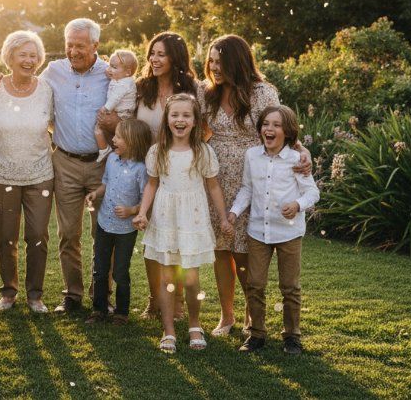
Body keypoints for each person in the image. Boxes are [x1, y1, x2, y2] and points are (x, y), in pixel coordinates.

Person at [201, 34, 309, 337]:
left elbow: (281, 125)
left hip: (254, 175)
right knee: (222, 247)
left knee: (246, 249)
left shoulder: (262, 93)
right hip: (215, 177)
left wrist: (302, 150)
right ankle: (227, 316)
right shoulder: (206, 92)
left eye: (220, 62)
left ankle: (253, 316)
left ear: (237, 61)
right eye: (211, 61)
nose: (213, 67)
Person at [106, 32, 198, 319]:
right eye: (152, 54)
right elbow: (128, 124)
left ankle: (178, 301)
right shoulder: (140, 88)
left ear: (176, 58)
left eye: (161, 54)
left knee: (178, 238)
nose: (154, 60)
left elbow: (203, 128)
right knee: (153, 240)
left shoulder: (193, 89)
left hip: (179, 172)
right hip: (144, 172)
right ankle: (156, 300)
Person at [133, 94, 232, 353]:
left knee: (190, 278)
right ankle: (168, 331)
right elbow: (152, 184)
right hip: (166, 217)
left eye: (186, 115)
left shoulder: (202, 151)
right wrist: (143, 212)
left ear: (195, 120)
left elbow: (213, 186)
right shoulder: (158, 151)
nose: (180, 120)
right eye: (174, 115)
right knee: (167, 276)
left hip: (192, 218)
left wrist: (223, 218)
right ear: (167, 119)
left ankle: (194, 325)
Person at [230, 105, 319, 355]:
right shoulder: (252, 156)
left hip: (289, 233)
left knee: (289, 286)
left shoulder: (296, 159)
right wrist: (234, 212)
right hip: (258, 231)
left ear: (288, 131)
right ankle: (256, 334)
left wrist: (298, 204)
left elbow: (312, 192)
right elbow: (247, 189)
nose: (269, 129)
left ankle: (292, 336)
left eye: (276, 125)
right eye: (265, 124)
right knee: (254, 283)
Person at [40, 18, 110, 313]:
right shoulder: (53, 71)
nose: (73, 51)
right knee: (68, 233)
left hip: (102, 165)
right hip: (65, 161)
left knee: (102, 233)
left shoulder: (110, 74)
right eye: (69, 45)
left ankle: (101, 295)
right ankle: (72, 294)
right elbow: (29, 90)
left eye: (80, 45)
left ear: (95, 45)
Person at [0, 31, 54, 313]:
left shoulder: (47, 89)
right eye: (23, 54)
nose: (29, 60)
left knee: (38, 235)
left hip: (40, 173)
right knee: (5, 237)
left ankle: (35, 295)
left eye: (34, 55)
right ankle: (8, 292)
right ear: (9, 57)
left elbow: (54, 126)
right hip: (0, 174)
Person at [84, 118, 152, 326]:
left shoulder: (141, 169)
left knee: (121, 271)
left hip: (125, 229)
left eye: (118, 137)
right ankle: (99, 309)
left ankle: (121, 313)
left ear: (132, 141)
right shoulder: (112, 160)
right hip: (104, 223)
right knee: (100, 268)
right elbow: (105, 183)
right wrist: (95, 193)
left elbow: (146, 199)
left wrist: (132, 210)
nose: (113, 140)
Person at [94, 49, 138, 162]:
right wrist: (110, 71)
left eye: (114, 67)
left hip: (123, 114)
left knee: (99, 129)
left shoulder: (125, 83)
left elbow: (115, 97)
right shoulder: (120, 78)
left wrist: (106, 108)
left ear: (128, 72)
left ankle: (106, 150)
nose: (109, 69)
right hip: (120, 112)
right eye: (109, 65)